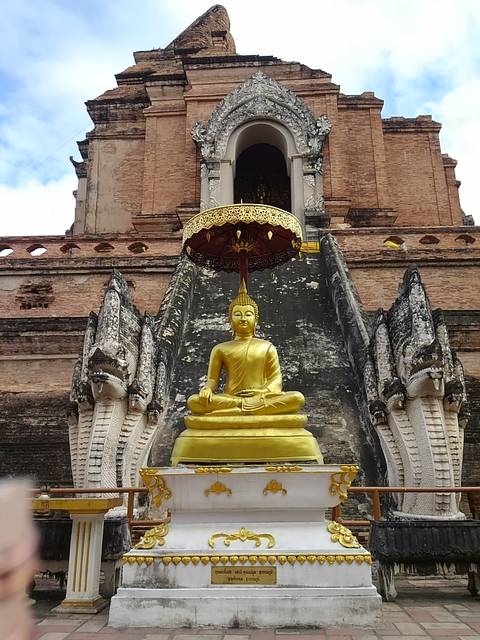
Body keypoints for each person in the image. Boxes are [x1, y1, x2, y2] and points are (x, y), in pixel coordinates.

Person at [187, 281, 304, 416]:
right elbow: (212, 380)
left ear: (256, 320)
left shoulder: (267, 347)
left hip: (261, 397)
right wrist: (207, 389)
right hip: (232, 398)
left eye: (248, 314)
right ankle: (246, 407)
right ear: (230, 320)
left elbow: (276, 379)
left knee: (297, 398)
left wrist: (263, 392)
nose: (243, 318)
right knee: (194, 401)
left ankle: (239, 410)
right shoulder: (220, 349)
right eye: (237, 314)